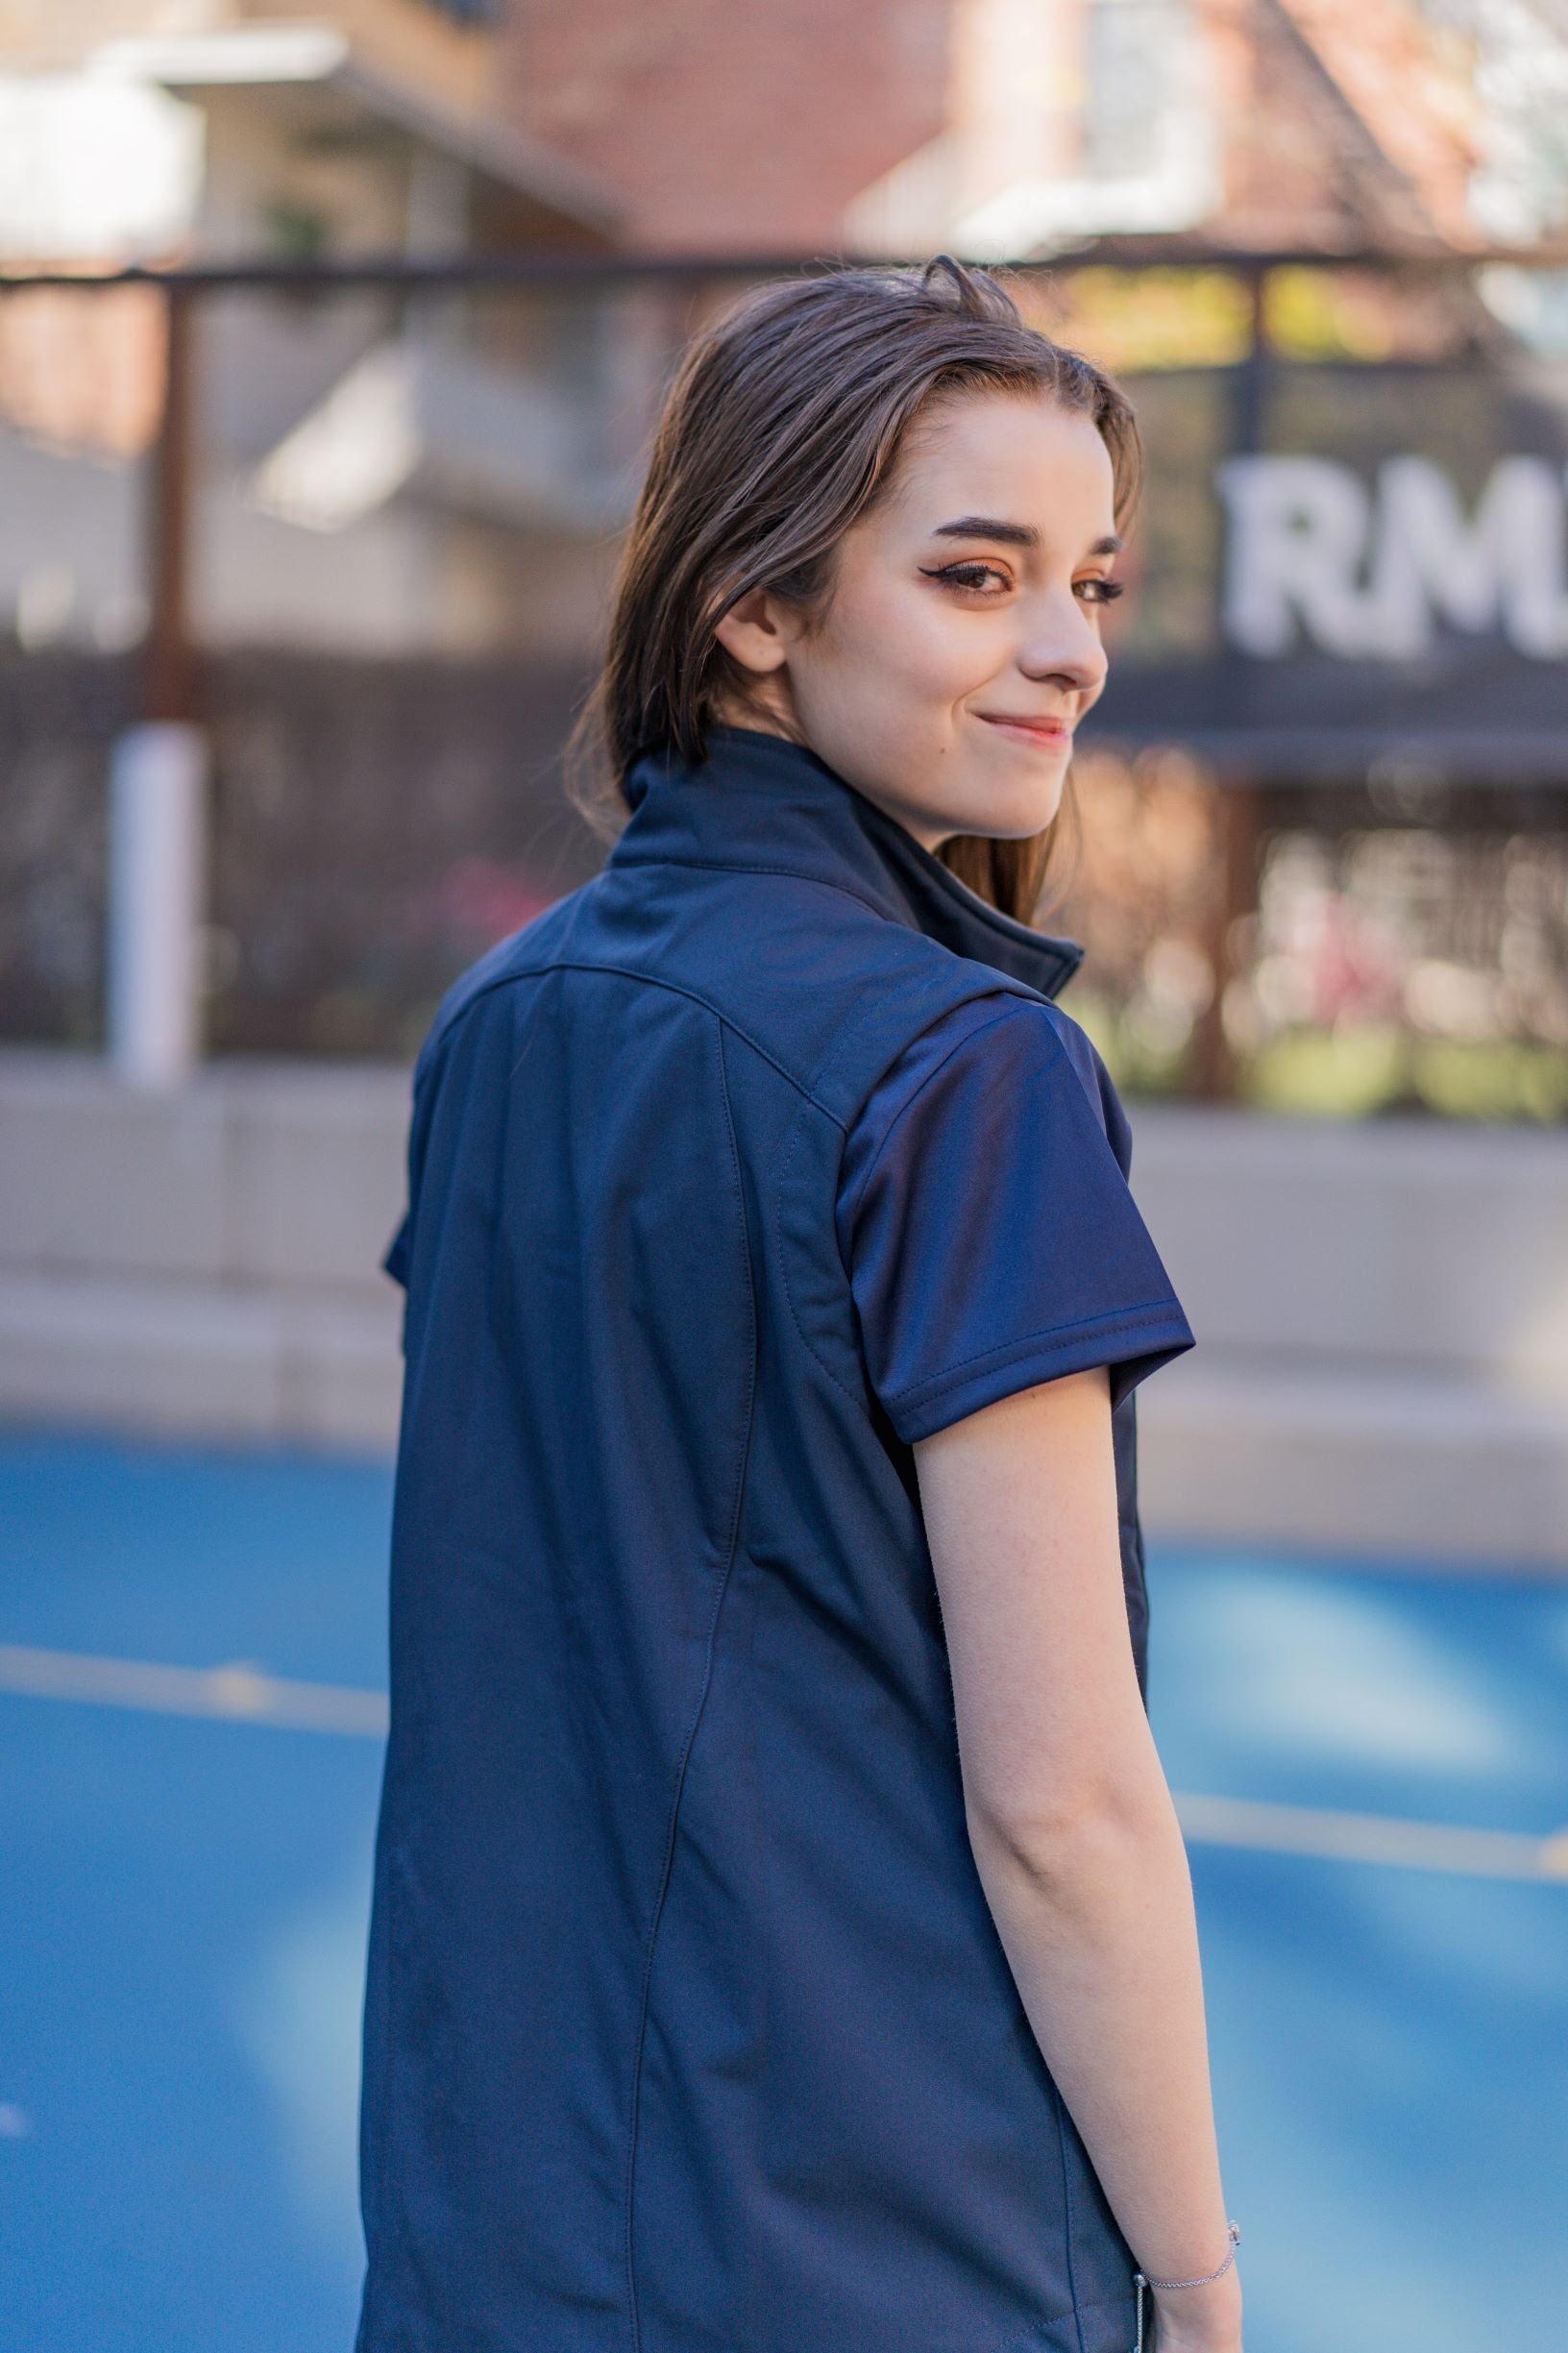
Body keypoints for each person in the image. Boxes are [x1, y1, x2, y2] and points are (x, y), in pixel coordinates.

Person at [357, 257, 1241, 2353]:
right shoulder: (962, 1069)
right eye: (974, 574)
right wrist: (1195, 2281)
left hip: (493, 2222)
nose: (1063, 650)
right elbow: (1066, 1802)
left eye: (1093, 585)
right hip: (869, 2238)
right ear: (756, 606)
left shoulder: (503, 1019)